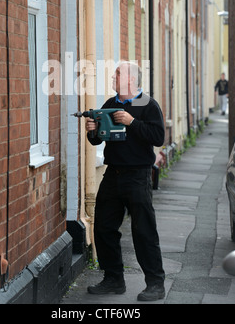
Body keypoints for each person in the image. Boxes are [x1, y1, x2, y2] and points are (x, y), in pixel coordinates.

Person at [85, 61, 165, 302]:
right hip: (113, 174)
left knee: (144, 231)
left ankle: (155, 284)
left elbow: (158, 137)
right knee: (103, 227)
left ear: (131, 79)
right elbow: (97, 141)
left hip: (138, 176)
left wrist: (132, 122)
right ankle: (113, 279)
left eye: (118, 74)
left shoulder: (148, 105)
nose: (114, 77)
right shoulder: (110, 104)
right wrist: (92, 130)